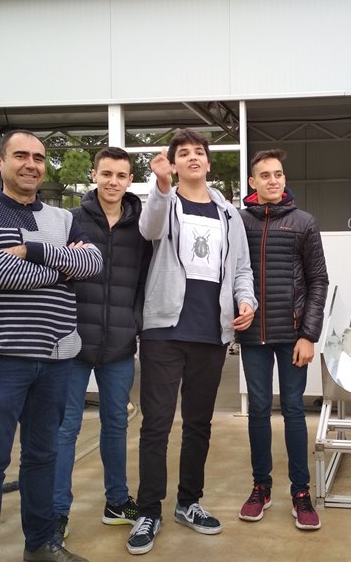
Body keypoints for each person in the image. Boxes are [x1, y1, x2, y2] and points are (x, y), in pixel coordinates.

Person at [0, 129, 103, 562]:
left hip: (56, 357)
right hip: (0, 356)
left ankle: (40, 545)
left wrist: (29, 251)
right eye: (20, 156)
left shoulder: (63, 218)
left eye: (39, 158)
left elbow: (93, 262)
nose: (31, 165)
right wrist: (61, 270)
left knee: (42, 456)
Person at [127, 130, 257, 556]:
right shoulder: (164, 201)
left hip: (211, 332)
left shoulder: (229, 213)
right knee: (157, 424)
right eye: (183, 153)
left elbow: (241, 268)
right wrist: (161, 186)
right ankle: (149, 510)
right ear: (173, 163)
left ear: (208, 162)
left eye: (199, 152)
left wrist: (246, 300)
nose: (193, 158)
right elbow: (149, 230)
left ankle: (189, 502)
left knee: (199, 424)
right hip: (164, 330)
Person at [52, 147, 152, 542]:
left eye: (121, 175)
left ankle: (117, 503)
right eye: (106, 173)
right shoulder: (69, 221)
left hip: (119, 346)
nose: (113, 182)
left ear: (130, 181)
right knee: (66, 429)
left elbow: (145, 282)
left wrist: (135, 324)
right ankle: (56, 512)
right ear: (94, 175)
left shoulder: (141, 227)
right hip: (73, 344)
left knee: (115, 426)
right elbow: (54, 273)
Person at [235, 149, 329, 530]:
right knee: (258, 410)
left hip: (292, 337)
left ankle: (300, 492)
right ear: (253, 182)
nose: (273, 180)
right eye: (265, 175)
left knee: (293, 410)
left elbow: (318, 281)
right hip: (253, 336)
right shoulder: (239, 223)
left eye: (278, 174)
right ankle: (261, 487)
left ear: (284, 179)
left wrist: (308, 335)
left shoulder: (304, 222)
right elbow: (231, 274)